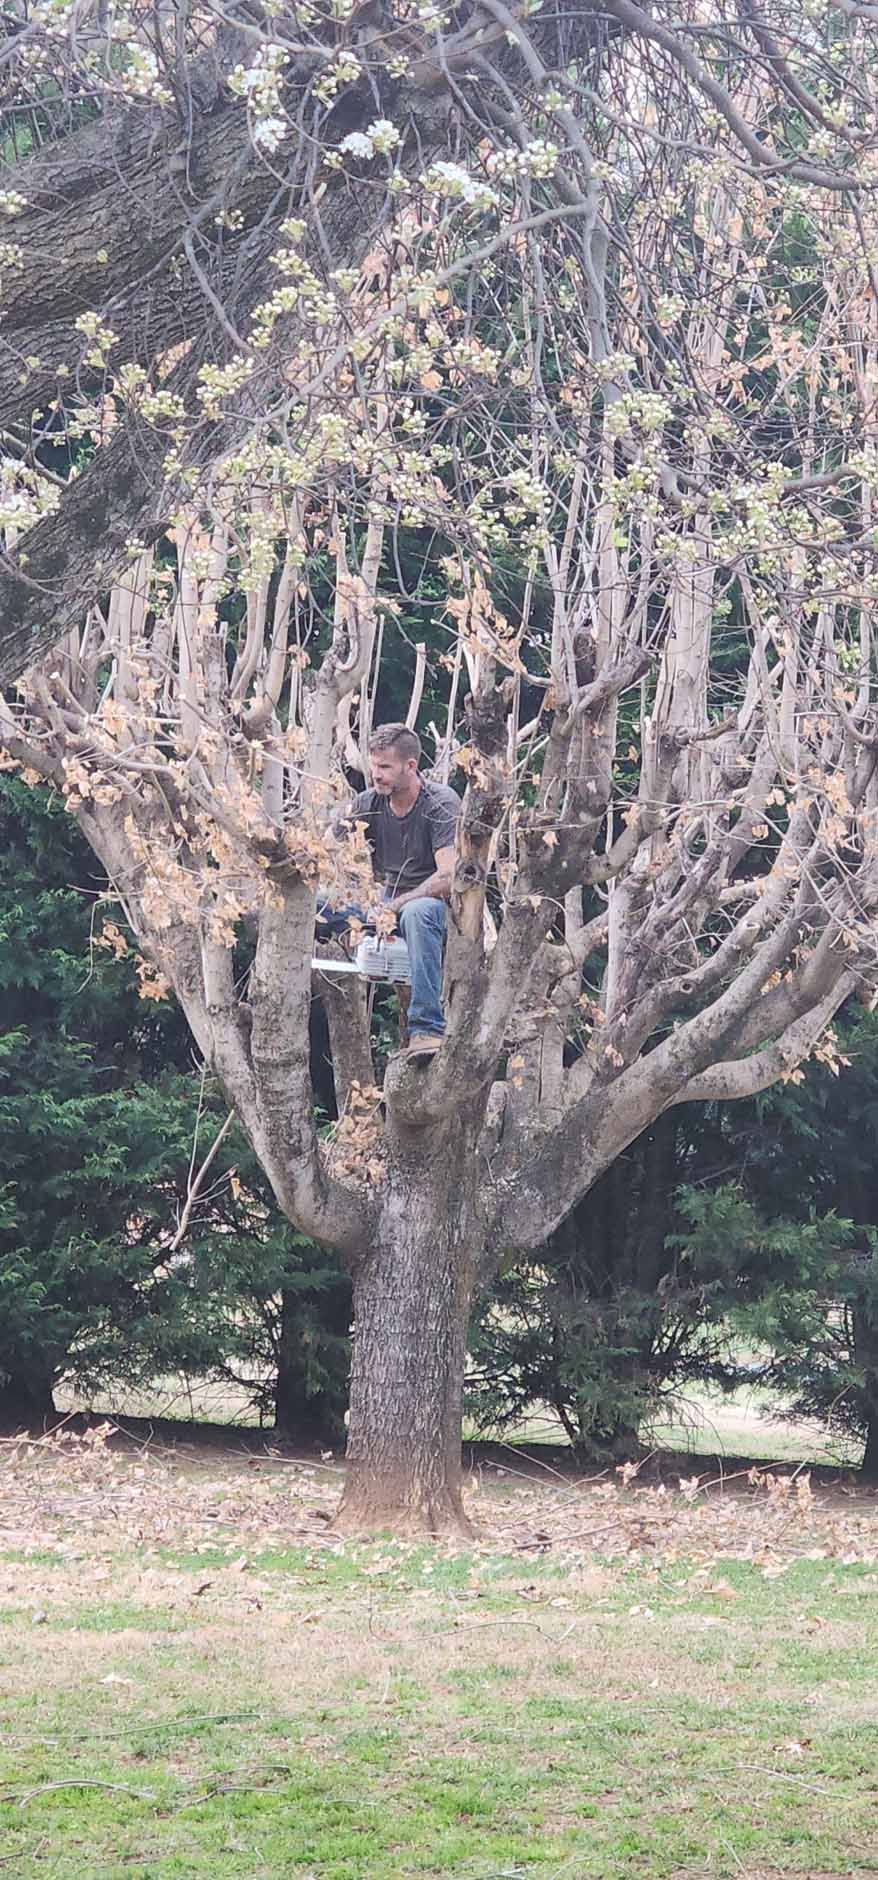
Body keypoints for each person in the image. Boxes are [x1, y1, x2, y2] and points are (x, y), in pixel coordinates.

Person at [319, 724, 461, 1058]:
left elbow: (448, 878)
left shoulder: (439, 803)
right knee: (317, 905)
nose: (376, 774)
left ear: (410, 766)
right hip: (386, 906)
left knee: (418, 912)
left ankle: (427, 1029)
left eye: (385, 767)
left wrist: (396, 904)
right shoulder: (368, 802)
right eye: (373, 765)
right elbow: (323, 848)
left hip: (434, 907)